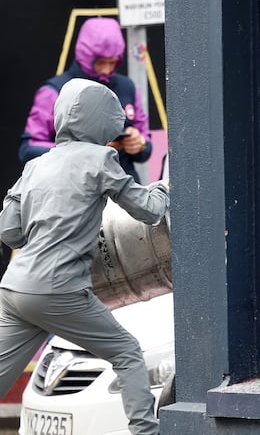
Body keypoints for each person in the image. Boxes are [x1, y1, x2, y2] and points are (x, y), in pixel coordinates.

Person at [0, 78, 168, 435]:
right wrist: (166, 187)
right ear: (102, 120)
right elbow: (149, 211)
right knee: (127, 353)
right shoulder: (101, 158)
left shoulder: (37, 165)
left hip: (15, 290)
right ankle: (146, 432)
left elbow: (9, 233)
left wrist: (20, 202)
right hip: (59, 290)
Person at [19, 16, 152, 183]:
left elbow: (146, 144)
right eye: (100, 62)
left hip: (123, 191)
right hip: (72, 191)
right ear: (85, 55)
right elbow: (28, 149)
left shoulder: (127, 87)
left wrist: (139, 144)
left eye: (113, 62)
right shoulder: (53, 91)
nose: (106, 69)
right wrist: (83, 151)